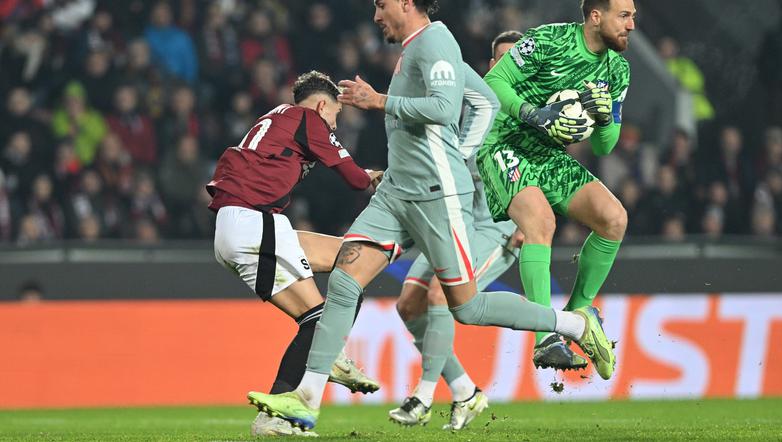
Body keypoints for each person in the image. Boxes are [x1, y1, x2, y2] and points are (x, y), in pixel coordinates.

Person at [248, 0, 616, 432]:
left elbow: (445, 107)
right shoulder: (415, 47)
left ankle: (574, 323)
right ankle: (306, 400)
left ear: (406, 3)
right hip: (396, 193)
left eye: (381, 5)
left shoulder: (436, 41)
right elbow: (486, 101)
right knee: (347, 279)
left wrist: (387, 106)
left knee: (467, 306)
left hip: (436, 197)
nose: (375, 15)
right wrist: (463, 151)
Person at [207, 71, 383, 437]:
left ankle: (332, 350)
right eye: (334, 117)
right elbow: (352, 177)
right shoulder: (307, 118)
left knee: (352, 257)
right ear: (322, 105)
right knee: (317, 319)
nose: (333, 126)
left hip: (249, 223)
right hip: (252, 222)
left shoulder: (278, 118)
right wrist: (375, 177)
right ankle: (276, 413)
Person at [476, 0, 633, 370]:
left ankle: (578, 312)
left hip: (548, 155)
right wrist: (533, 113)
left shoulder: (618, 70)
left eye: (633, 17)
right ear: (597, 16)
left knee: (614, 219)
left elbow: (604, 145)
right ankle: (545, 336)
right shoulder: (548, 40)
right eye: (624, 16)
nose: (631, 26)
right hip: (505, 142)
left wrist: (602, 114)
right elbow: (493, 81)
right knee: (541, 223)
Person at [388, 30, 524, 431]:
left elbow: (547, 179)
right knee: (409, 306)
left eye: (514, 60)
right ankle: (464, 389)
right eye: (499, 59)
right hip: (451, 216)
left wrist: (529, 224)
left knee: (440, 296)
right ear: (490, 64)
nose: (504, 66)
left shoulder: (530, 116)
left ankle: (423, 396)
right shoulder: (470, 100)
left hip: (495, 228)